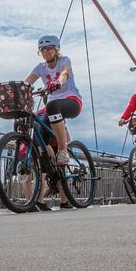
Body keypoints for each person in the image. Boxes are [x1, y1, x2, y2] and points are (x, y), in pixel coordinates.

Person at [21, 35, 82, 211]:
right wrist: (17, 90)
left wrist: (58, 82)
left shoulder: (64, 60)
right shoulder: (40, 68)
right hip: (53, 109)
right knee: (40, 136)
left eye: (50, 49)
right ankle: (52, 165)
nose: (46, 52)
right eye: (43, 50)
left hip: (71, 101)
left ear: (56, 49)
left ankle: (63, 151)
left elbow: (65, 73)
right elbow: (27, 82)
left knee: (53, 105)